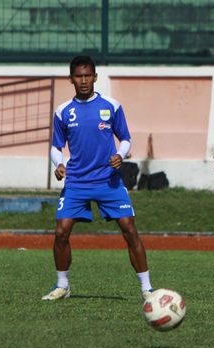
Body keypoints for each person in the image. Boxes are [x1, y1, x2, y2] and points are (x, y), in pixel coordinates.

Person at [42, 55, 153, 301]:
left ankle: (147, 288)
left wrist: (120, 155)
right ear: (70, 79)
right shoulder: (63, 111)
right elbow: (55, 146)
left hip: (108, 182)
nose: (84, 80)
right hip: (77, 183)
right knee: (61, 233)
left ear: (95, 77)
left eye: (88, 75)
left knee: (130, 231)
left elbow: (125, 138)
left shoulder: (111, 106)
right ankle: (62, 285)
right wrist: (59, 163)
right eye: (79, 76)